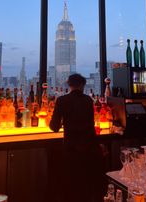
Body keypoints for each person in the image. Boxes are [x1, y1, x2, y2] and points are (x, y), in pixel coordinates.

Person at [49, 74, 102, 202]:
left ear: (69, 85)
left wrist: (62, 122)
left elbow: (53, 127)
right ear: (83, 85)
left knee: (71, 185)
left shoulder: (62, 100)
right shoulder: (88, 101)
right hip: (88, 150)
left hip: (70, 150)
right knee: (86, 186)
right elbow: (90, 126)